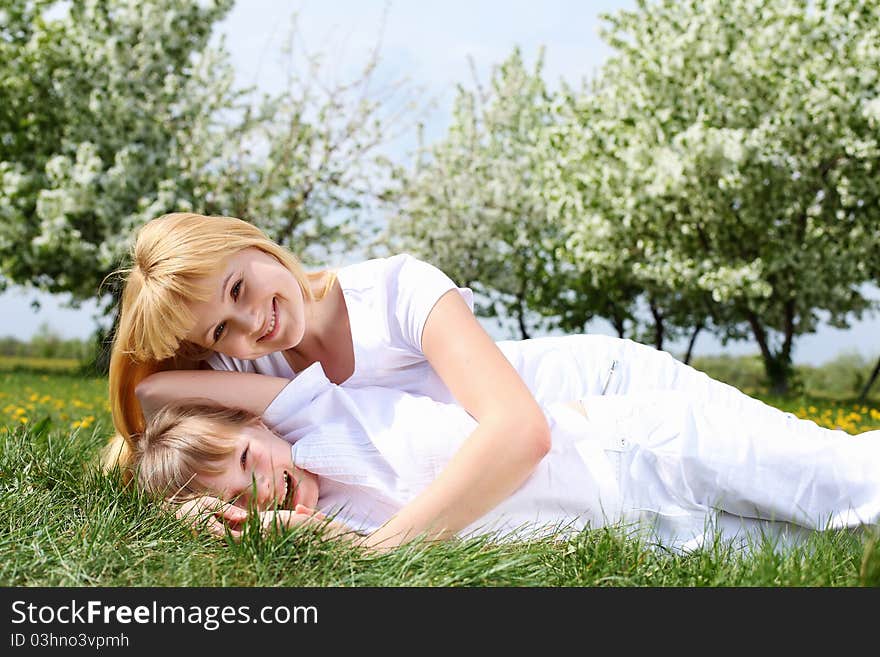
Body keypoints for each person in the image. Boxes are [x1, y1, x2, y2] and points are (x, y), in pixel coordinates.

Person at [105, 211, 851, 549]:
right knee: (805, 546)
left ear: (253, 241)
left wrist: (385, 548)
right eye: (219, 332)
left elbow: (520, 431)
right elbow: (154, 414)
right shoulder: (249, 362)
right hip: (571, 484)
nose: (250, 328)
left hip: (608, 399)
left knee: (827, 479)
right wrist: (187, 512)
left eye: (239, 288)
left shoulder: (398, 290)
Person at [132, 363, 880, 553]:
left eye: (244, 457)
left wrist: (151, 439)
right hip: (652, 535)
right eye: (241, 498)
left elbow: (152, 386)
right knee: (839, 553)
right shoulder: (334, 538)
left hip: (645, 448)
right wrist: (199, 511)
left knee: (854, 482)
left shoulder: (310, 409)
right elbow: (375, 561)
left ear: (250, 422)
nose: (264, 489)